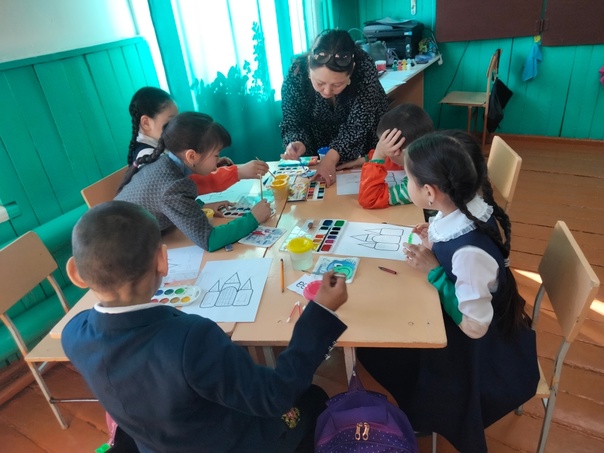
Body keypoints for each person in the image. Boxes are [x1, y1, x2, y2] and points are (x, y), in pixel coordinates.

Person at [61, 200, 348, 453]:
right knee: (315, 397)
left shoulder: (73, 333)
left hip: (158, 442)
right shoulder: (192, 339)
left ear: (76, 273)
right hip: (233, 443)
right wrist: (320, 312)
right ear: (162, 260)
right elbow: (273, 396)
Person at [357, 131, 539, 453]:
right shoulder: (462, 208)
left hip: (479, 349)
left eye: (409, 180)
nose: (406, 184)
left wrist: (435, 271)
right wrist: (434, 240)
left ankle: (424, 416)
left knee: (383, 348)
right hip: (470, 314)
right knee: (385, 337)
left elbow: (475, 325)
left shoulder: (469, 253)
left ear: (429, 192)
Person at [116, 112, 272, 252]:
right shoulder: (173, 187)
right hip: (123, 252)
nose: (218, 161)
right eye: (216, 155)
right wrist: (253, 218)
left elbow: (169, 204)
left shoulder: (166, 164)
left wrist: (200, 206)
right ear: (191, 156)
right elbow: (209, 240)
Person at [280, 29, 389, 187]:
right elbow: (292, 120)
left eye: (337, 84)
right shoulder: (296, 74)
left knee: (364, 185)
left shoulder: (364, 67)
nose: (327, 91)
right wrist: (297, 142)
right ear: (309, 68)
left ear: (351, 71)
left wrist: (332, 157)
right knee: (325, 189)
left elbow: (359, 124)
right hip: (319, 138)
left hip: (362, 138)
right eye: (320, 83)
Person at [127, 86, 269, 195]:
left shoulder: (158, 146)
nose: (175, 127)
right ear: (146, 123)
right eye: (169, 123)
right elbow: (188, 184)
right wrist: (238, 172)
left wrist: (205, 161)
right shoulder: (148, 157)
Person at [357, 104, 434, 209]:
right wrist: (367, 159)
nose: (386, 155)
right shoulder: (429, 154)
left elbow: (370, 198)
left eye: (387, 150)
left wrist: (379, 156)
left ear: (400, 152)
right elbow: (394, 162)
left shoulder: (419, 182)